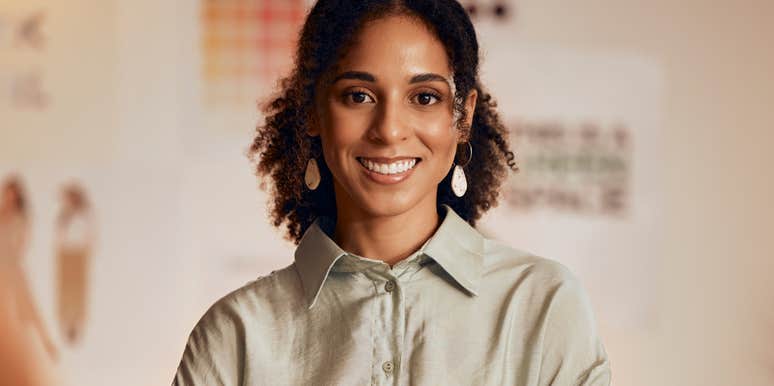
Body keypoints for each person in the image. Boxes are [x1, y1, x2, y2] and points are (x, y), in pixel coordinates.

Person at [172, 1, 611, 385]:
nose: (389, 130)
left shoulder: (543, 306)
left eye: (424, 98)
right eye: (359, 95)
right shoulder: (236, 335)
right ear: (313, 111)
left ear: (463, 118)